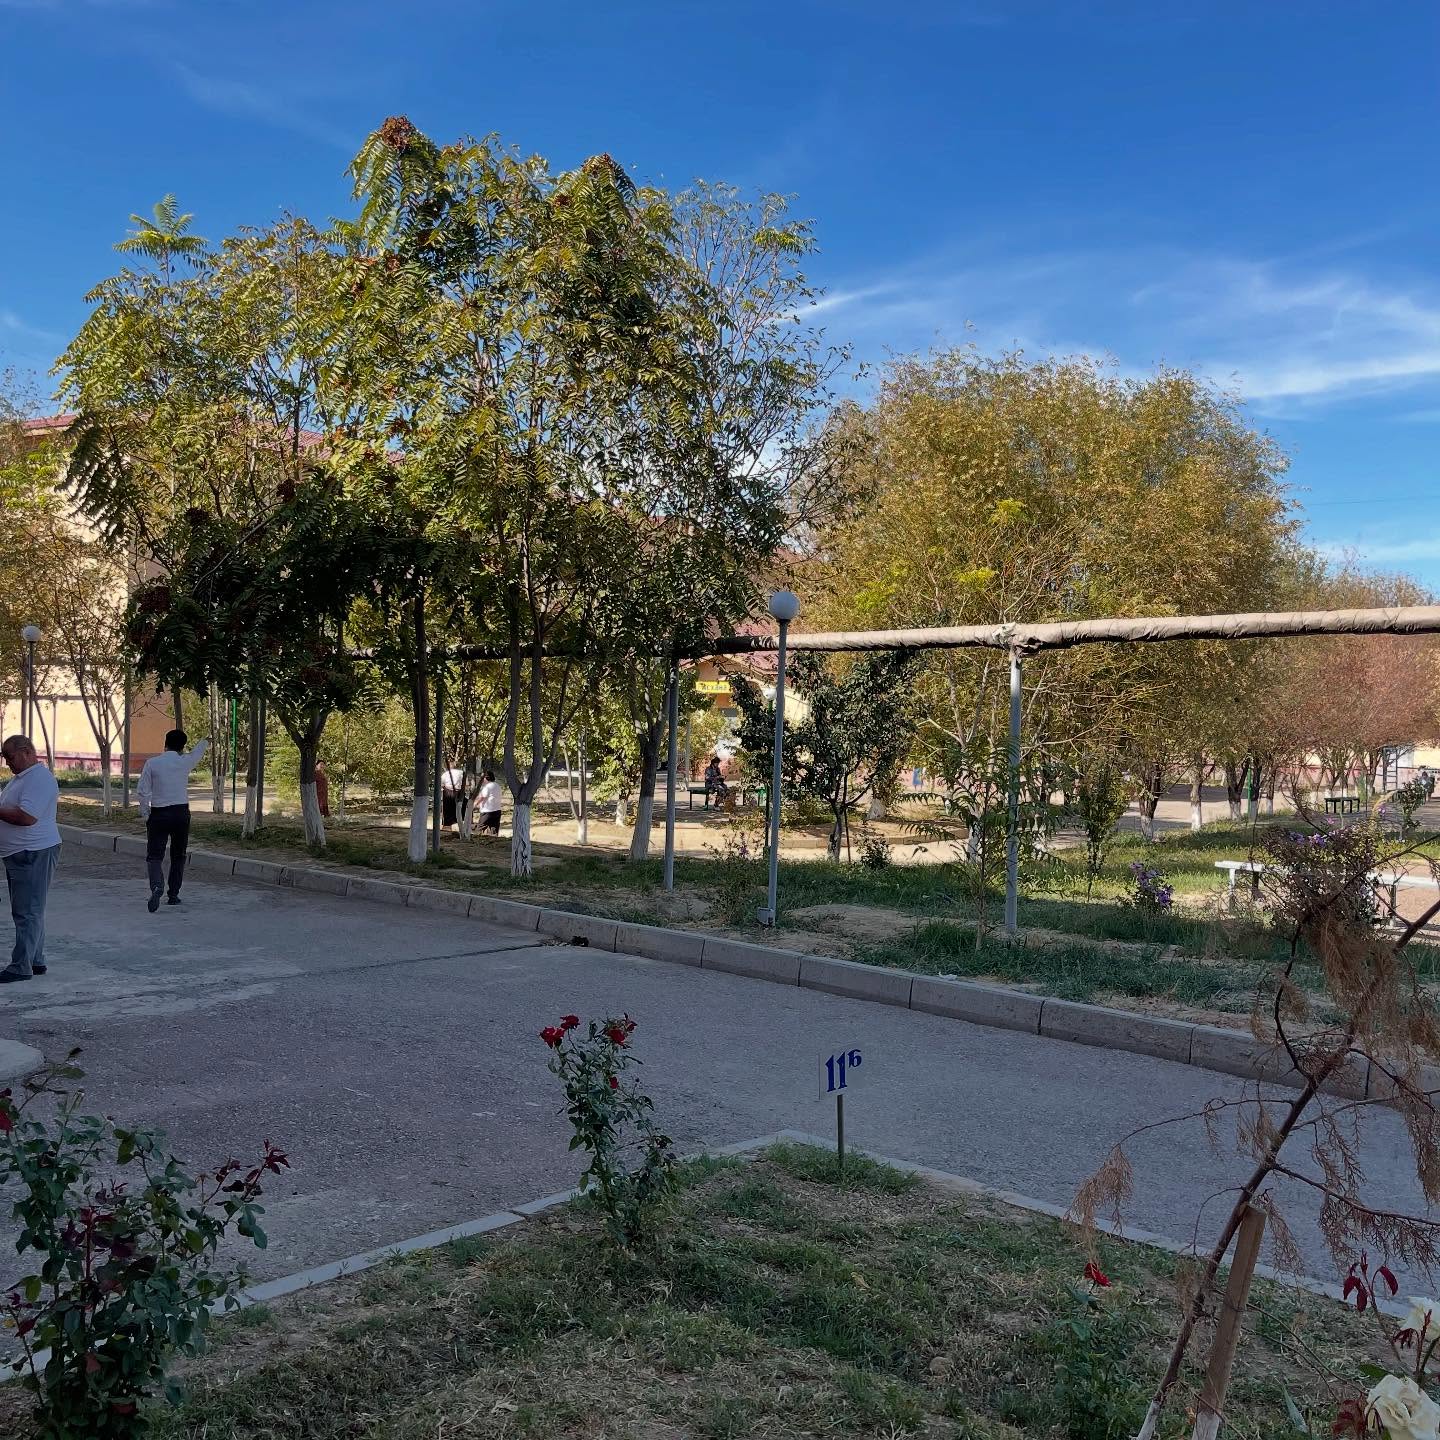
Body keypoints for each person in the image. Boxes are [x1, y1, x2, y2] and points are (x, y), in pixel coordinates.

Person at [0, 735, 62, 984]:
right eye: (4, 758)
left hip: (33, 852)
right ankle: (35, 960)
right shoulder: (21, 779)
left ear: (26, 752)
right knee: (30, 910)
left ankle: (20, 967)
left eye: (10, 757)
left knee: (28, 912)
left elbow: (26, 817)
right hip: (21, 853)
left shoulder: (39, 779)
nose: (7, 762)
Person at [138, 729, 209, 913]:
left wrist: (146, 814)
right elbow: (197, 753)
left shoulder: (152, 763)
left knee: (154, 856)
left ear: (165, 744)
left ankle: (156, 886)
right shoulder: (185, 761)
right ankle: (173, 894)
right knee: (178, 855)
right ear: (182, 747)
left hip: (159, 814)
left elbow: (143, 791)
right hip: (181, 813)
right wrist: (205, 741)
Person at [477, 769, 502, 835]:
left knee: (480, 829)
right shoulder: (497, 786)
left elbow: (482, 797)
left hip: (487, 811)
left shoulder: (487, 787)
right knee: (494, 831)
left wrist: (474, 805)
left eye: (482, 778)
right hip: (497, 811)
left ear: (486, 778)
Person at [441, 763, 464, 832]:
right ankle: (459, 825)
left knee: (447, 810)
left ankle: (447, 826)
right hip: (459, 792)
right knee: (459, 808)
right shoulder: (461, 773)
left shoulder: (445, 774)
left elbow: (442, 784)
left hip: (448, 792)